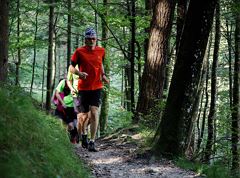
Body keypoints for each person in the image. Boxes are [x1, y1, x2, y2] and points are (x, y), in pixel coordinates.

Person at [69, 27, 109, 152]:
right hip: (83, 87)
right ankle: (84, 135)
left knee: (95, 111)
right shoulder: (79, 52)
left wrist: (103, 75)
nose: (92, 41)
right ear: (85, 40)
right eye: (89, 39)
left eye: (93, 39)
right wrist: (79, 73)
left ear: (96, 39)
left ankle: (92, 141)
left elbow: (100, 64)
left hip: (97, 86)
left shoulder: (101, 51)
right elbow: (71, 67)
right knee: (83, 116)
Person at [67, 65, 90, 145]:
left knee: (86, 116)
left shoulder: (87, 64)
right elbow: (68, 81)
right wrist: (71, 88)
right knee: (79, 116)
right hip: (76, 94)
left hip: (87, 93)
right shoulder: (72, 67)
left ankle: (82, 135)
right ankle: (80, 137)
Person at [53, 78, 78, 144]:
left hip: (69, 111)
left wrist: (76, 106)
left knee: (72, 126)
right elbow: (54, 99)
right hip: (59, 111)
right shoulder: (58, 92)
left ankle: (73, 138)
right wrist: (57, 102)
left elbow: (75, 99)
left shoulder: (71, 92)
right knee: (59, 123)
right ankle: (61, 139)